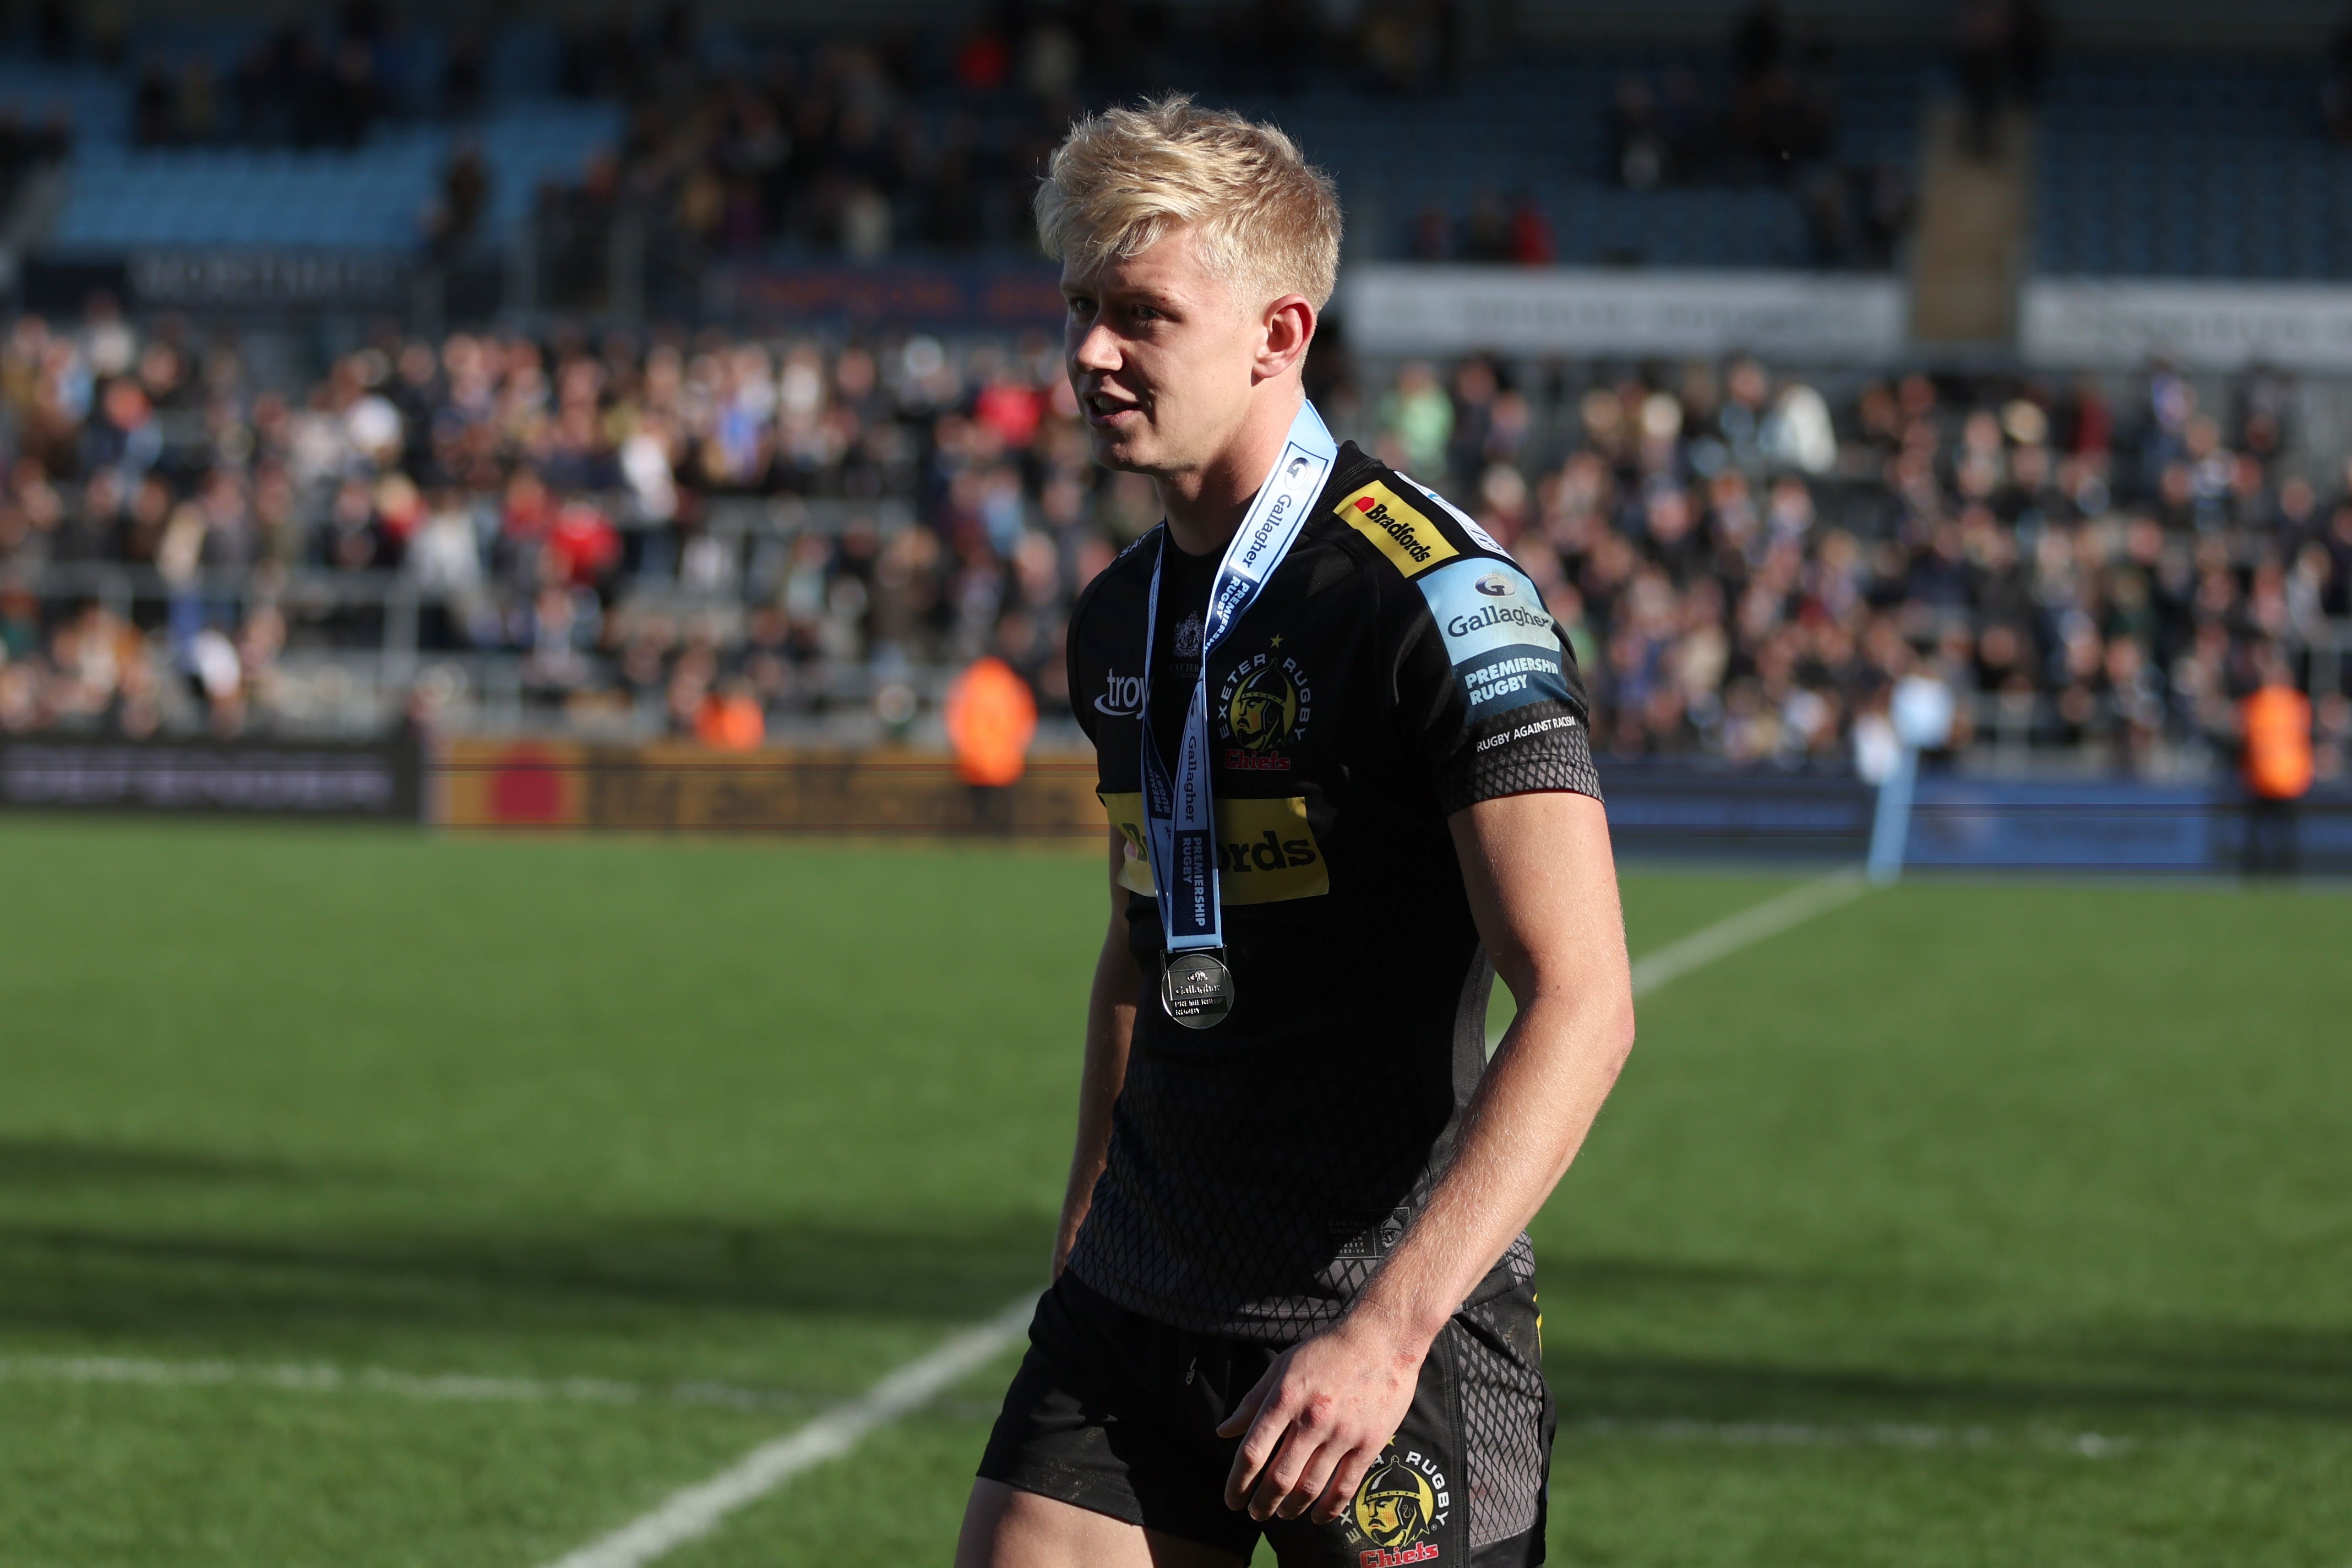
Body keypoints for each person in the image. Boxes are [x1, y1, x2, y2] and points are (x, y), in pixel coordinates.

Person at [957, 97, 1637, 1568]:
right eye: (1079, 309)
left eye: (1139, 315)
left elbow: (1585, 1002)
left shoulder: (1441, 602)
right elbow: (1147, 945)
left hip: (1382, 1339)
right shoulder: (1118, 612)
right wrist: (1084, 1235)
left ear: (1279, 333)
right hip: (1136, 1304)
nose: (1087, 353)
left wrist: (1387, 1335)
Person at [2238, 644, 2313, 876]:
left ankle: (2287, 870)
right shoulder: (2256, 703)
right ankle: (2258, 870)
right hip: (2262, 777)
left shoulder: (2296, 704)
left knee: (2286, 832)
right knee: (2259, 831)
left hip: (2289, 778)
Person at [945, 652, 1040, 832]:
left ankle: (977, 838)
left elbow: (955, 720)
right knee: (1003, 811)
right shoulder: (1012, 683)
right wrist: (1018, 748)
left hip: (974, 758)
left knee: (976, 810)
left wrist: (963, 747)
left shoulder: (968, 682)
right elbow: (1027, 721)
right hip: (1005, 759)